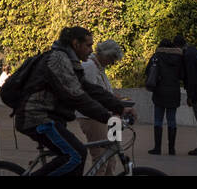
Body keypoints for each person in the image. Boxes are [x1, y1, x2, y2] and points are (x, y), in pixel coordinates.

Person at [13, 27, 134, 176]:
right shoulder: (59, 61)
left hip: (50, 118)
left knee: (76, 157)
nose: (91, 50)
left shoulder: (70, 61)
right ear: (76, 44)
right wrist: (109, 117)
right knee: (75, 155)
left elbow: (90, 89)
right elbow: (78, 97)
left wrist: (119, 108)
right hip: (37, 118)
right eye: (88, 45)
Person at [78, 39, 125, 175]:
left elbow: (101, 91)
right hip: (93, 117)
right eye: (112, 59)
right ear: (105, 55)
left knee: (111, 157)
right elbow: (88, 94)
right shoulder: (89, 67)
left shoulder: (98, 67)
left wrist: (114, 99)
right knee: (101, 159)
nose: (112, 63)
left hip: (106, 116)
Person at [145, 35, 185, 156]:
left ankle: (157, 148)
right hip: (173, 92)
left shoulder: (156, 56)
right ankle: (171, 149)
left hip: (159, 91)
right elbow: (182, 75)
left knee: (158, 120)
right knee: (172, 120)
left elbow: (148, 71)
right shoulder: (179, 57)